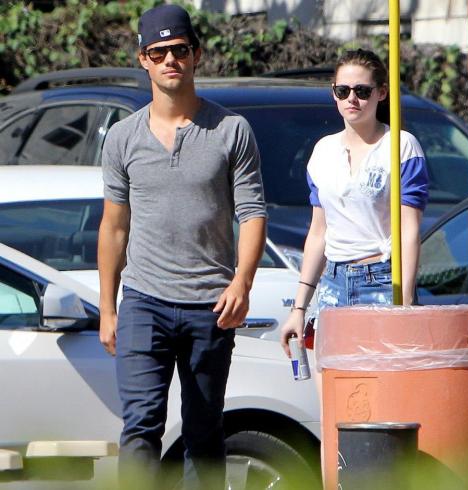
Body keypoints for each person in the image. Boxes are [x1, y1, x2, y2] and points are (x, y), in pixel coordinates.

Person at [97, 4, 266, 488]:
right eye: (160, 52)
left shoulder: (231, 130)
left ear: (196, 55)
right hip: (144, 303)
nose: (171, 60)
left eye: (180, 50)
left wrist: (242, 281)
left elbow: (252, 213)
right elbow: (113, 228)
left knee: (204, 432)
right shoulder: (123, 138)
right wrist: (108, 307)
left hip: (209, 305)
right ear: (144, 60)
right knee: (141, 428)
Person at [280, 48, 429, 476]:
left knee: (382, 400)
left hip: (382, 275)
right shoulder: (322, 152)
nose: (352, 99)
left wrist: (404, 297)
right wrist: (298, 308)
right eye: (342, 90)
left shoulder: (401, 144)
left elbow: (409, 229)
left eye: (362, 91)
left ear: (381, 93)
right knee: (336, 401)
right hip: (334, 282)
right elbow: (318, 234)